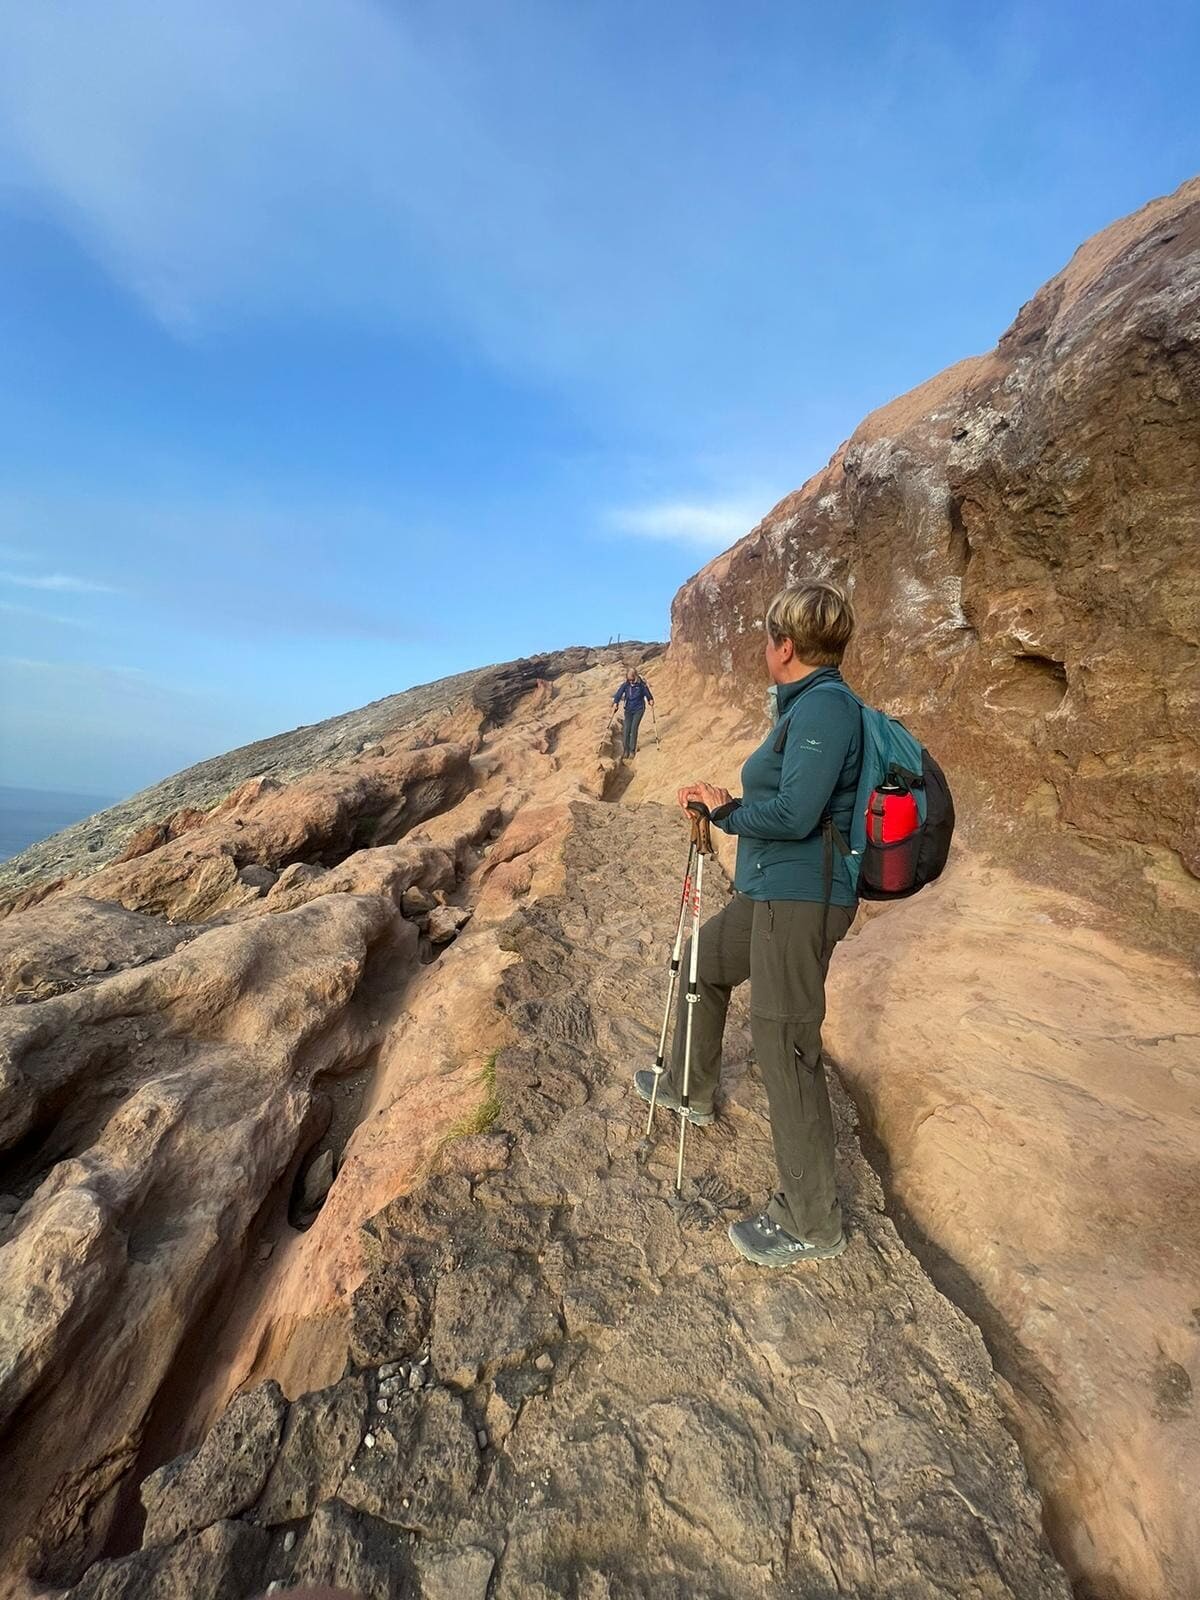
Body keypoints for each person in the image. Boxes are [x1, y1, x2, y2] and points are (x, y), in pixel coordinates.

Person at [634, 579, 862, 1266]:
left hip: (801, 900)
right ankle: (686, 1086)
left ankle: (812, 1221)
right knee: (703, 961)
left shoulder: (826, 708)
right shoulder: (801, 708)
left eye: (767, 640)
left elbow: (795, 816)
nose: (764, 650)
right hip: (770, 891)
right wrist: (727, 799)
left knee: (783, 1044)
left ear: (785, 646)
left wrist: (726, 812)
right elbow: (792, 802)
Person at [612, 668, 654, 758]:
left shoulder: (641, 685)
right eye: (628, 679)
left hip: (639, 709)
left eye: (631, 679)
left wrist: (650, 700)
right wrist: (616, 703)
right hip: (628, 709)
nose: (630, 681)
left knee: (634, 728)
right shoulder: (626, 685)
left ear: (635, 677)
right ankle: (625, 750)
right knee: (627, 729)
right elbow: (618, 694)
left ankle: (632, 750)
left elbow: (648, 694)